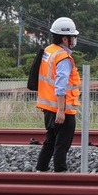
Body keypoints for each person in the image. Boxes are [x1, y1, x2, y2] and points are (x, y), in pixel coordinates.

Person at [35, 17, 81, 173]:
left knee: (50, 141)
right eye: (72, 37)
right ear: (65, 38)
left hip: (48, 107)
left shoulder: (48, 51)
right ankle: (60, 175)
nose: (74, 40)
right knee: (62, 145)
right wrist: (61, 110)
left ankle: (40, 171)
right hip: (62, 110)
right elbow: (60, 86)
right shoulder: (63, 57)